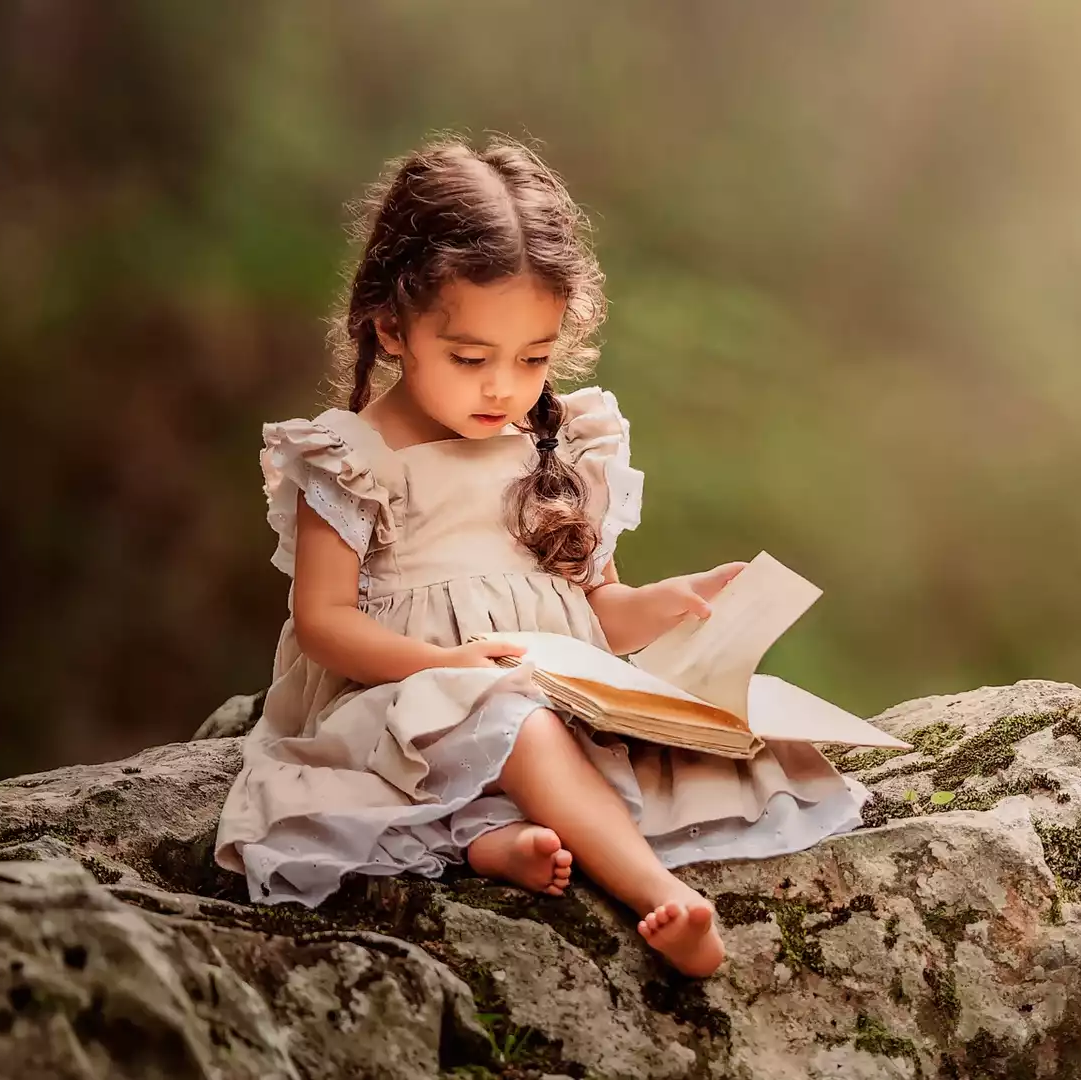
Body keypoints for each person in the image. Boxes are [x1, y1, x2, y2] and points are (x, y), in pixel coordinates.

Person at [213, 135, 869, 976]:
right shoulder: (352, 459)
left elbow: (595, 612)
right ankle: (655, 891)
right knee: (513, 724)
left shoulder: (559, 444)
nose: (503, 387)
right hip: (404, 708)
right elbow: (324, 623)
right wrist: (446, 664)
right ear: (392, 326)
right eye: (470, 358)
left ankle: (496, 839)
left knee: (682, 733)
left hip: (552, 700)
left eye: (533, 358)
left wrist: (671, 603)